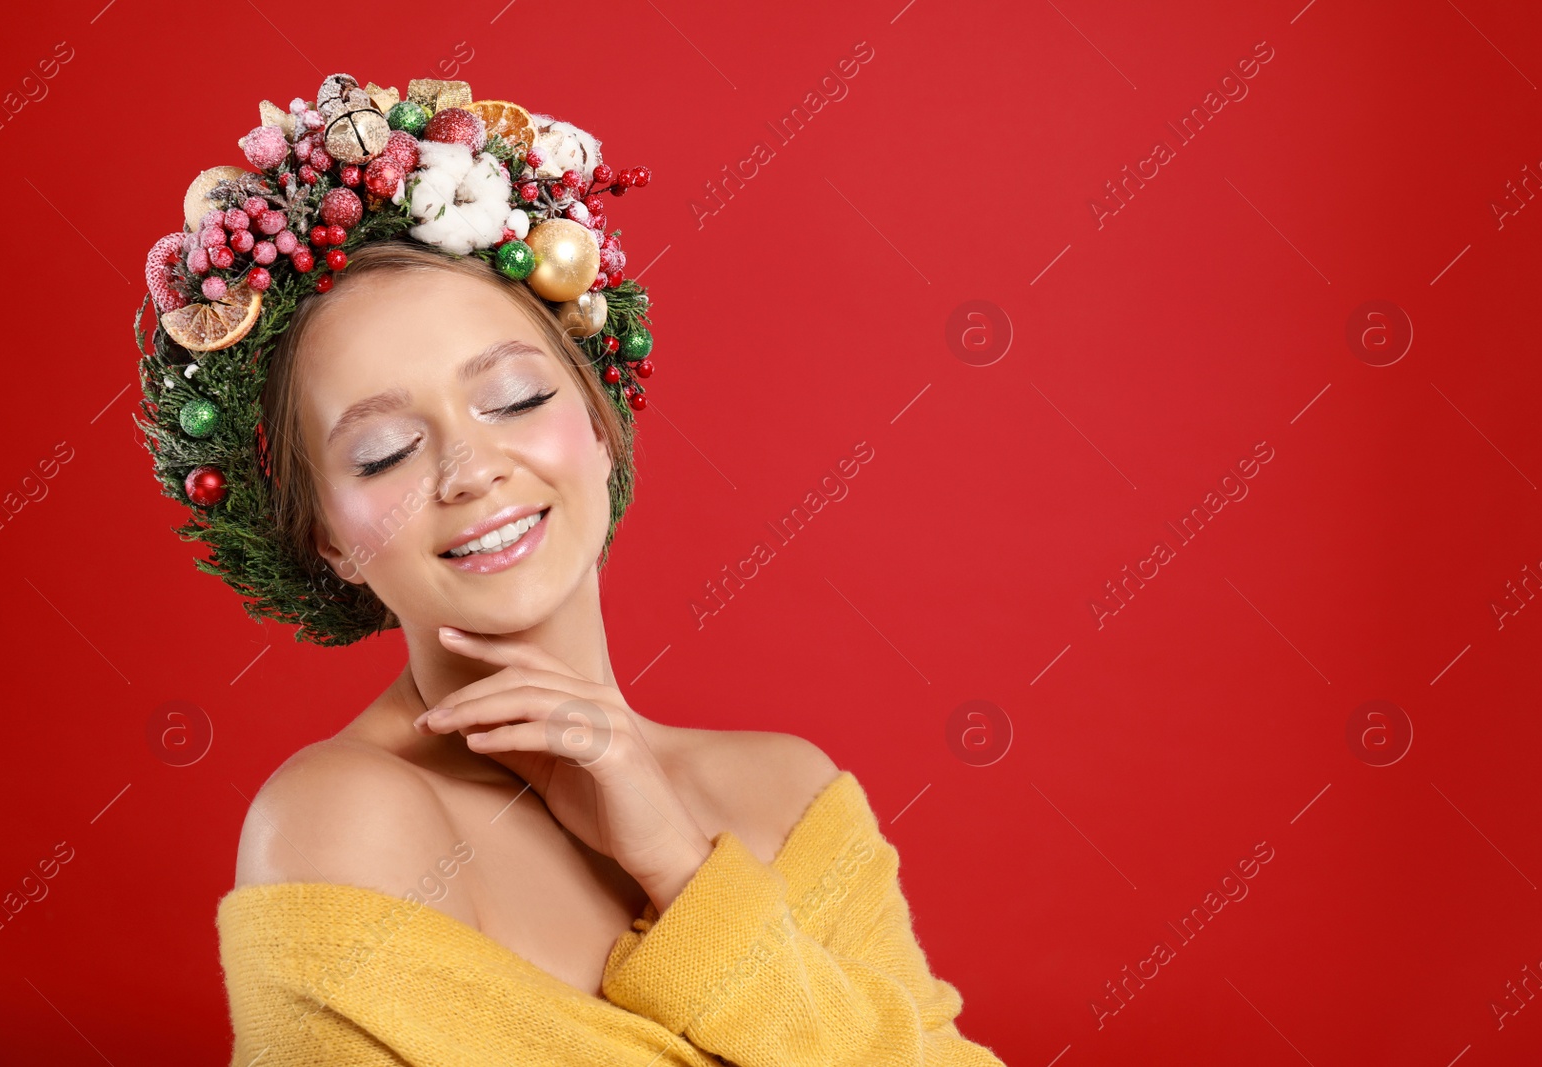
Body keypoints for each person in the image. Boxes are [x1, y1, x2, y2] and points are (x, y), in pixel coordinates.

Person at [136, 72, 1006, 1066]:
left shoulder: (791, 792)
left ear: (597, 423)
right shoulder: (342, 820)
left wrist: (678, 867)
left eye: (511, 396)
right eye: (382, 453)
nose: (470, 470)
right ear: (326, 536)